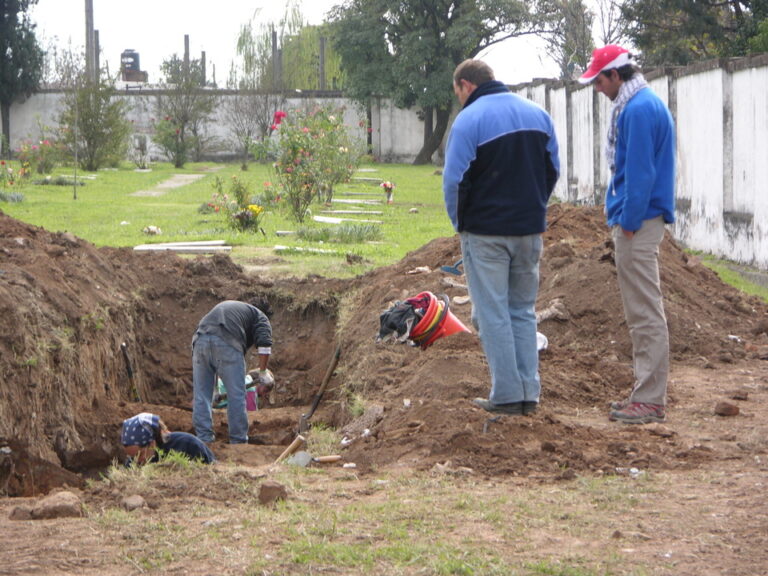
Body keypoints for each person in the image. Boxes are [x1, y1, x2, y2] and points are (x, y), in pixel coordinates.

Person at [442, 59, 560, 415]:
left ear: (466, 85)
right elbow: (552, 170)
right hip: (529, 231)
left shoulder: (469, 120)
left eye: (458, 93)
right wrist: (534, 208)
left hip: (485, 233)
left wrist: (459, 223)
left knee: (492, 313)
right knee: (523, 311)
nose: (460, 100)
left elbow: (454, 181)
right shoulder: (538, 115)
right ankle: (529, 392)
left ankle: (506, 395)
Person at [578, 45, 676, 424]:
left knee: (643, 312)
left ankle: (650, 400)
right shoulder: (643, 103)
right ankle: (645, 394)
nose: (597, 87)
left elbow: (639, 175)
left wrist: (629, 221)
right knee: (642, 311)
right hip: (643, 218)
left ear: (616, 75)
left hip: (639, 222)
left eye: (599, 80)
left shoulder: (635, 110)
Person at [192, 300, 275, 444]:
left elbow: (213, 343)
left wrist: (217, 389)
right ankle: (239, 442)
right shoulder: (261, 317)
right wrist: (263, 372)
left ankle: (204, 440)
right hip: (226, 343)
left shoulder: (236, 313)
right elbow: (265, 345)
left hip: (199, 341)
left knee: (202, 395)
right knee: (236, 396)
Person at [121, 412, 215, 465]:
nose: (137, 461)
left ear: (152, 443)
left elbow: (213, 468)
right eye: (132, 457)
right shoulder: (131, 465)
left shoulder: (188, 444)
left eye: (140, 454)